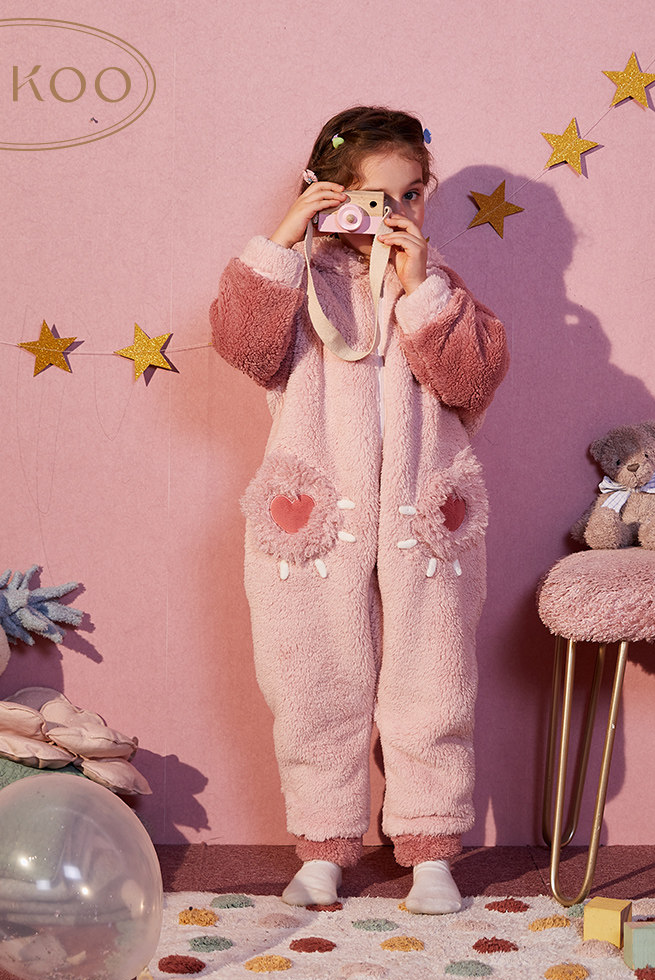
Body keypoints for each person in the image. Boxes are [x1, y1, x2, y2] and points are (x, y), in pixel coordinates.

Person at [210, 106, 508, 914]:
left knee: (432, 678)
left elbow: (472, 381)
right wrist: (285, 238)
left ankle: (431, 847)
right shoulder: (298, 279)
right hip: (315, 518)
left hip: (423, 521)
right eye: (374, 198)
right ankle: (323, 846)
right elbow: (243, 345)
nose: (393, 213)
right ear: (331, 193)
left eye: (411, 195)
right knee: (312, 676)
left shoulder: (436, 283)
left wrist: (422, 289)